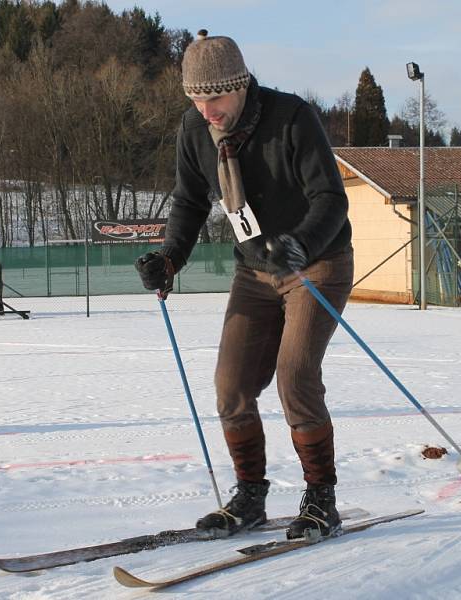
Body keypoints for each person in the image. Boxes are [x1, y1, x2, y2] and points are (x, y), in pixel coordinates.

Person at [135, 31, 353, 540]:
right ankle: (250, 497)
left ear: (241, 86)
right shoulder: (193, 130)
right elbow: (190, 203)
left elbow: (331, 198)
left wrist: (300, 243)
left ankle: (321, 500)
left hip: (316, 264)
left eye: (215, 98)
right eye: (195, 98)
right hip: (254, 270)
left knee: (295, 377)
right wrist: (170, 259)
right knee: (231, 386)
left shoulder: (291, 119)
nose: (206, 109)